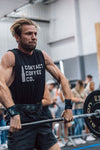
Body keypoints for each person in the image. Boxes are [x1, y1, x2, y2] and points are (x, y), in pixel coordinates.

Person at [0, 18, 73, 150]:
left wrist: (68, 107)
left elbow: (63, 79)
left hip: (40, 117)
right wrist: (13, 113)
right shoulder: (11, 57)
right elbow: (0, 84)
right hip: (20, 121)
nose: (34, 37)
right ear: (17, 37)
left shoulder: (42, 56)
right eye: (28, 34)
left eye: (35, 34)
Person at [71, 80, 87, 145]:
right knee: (78, 123)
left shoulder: (82, 90)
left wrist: (82, 100)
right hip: (76, 109)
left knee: (81, 123)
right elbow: (72, 99)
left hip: (82, 108)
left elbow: (86, 97)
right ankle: (76, 137)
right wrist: (80, 100)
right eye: (82, 84)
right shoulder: (73, 90)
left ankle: (79, 137)